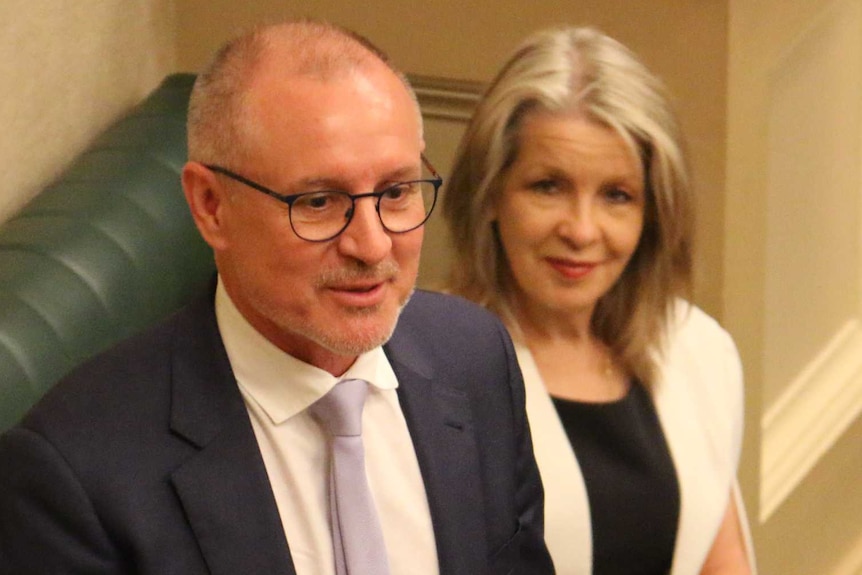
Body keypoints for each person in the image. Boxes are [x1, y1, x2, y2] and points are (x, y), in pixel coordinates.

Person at [0, 20, 554, 575]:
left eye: (396, 191)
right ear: (211, 205)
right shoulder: (75, 474)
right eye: (318, 201)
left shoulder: (475, 357)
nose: (372, 243)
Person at [443, 26, 756, 575]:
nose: (582, 230)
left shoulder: (696, 349)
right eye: (548, 186)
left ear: (654, 211)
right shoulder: (432, 370)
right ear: (490, 193)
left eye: (617, 195)